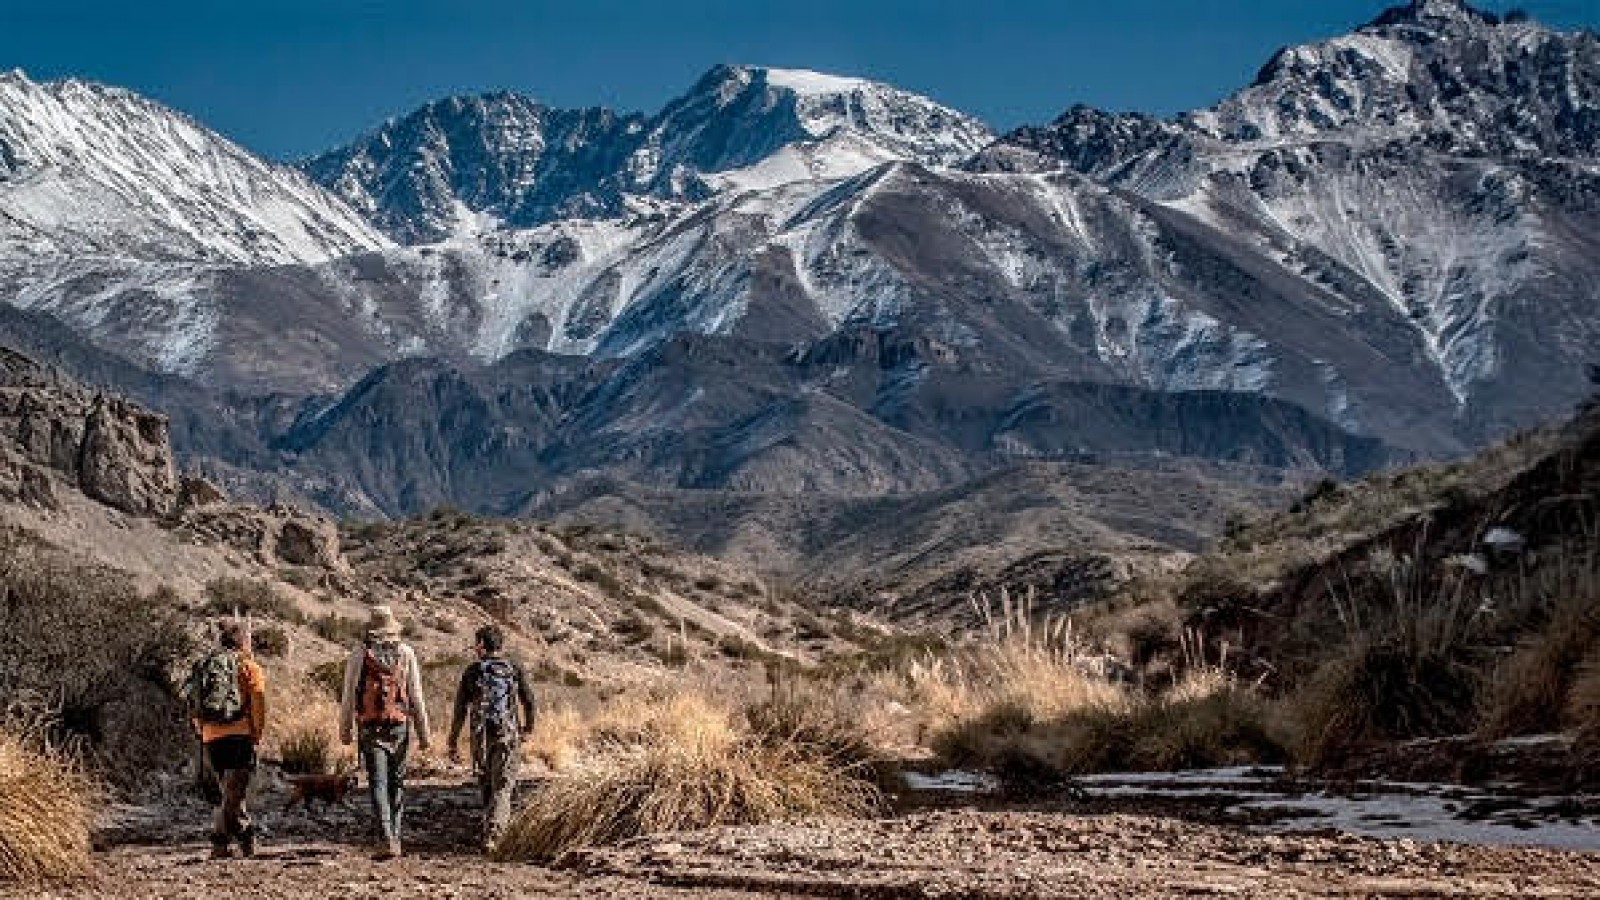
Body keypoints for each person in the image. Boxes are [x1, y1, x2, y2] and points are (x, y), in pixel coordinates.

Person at [338, 604, 431, 860]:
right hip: (399, 724)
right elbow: (416, 696)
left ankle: (386, 836)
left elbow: (348, 694)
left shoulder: (359, 654)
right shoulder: (406, 653)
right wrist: (425, 734)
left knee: (378, 782)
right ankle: (396, 836)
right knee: (397, 781)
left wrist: (344, 729)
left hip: (370, 725)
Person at [447, 624, 536, 853]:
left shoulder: (472, 671)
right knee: (503, 786)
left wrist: (453, 741)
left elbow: (460, 711)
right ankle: (495, 835)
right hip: (507, 733)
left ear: (481, 645)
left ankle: (490, 831)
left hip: (481, 736)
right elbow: (529, 701)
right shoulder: (513, 668)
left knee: (486, 783)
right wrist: (528, 728)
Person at [185, 618, 267, 860]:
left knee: (230, 791)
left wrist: (201, 729)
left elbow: (194, 702)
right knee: (233, 792)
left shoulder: (205, 665)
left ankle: (244, 842)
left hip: (211, 737)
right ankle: (222, 842)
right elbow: (258, 705)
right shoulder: (248, 667)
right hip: (239, 734)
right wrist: (257, 734)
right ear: (243, 640)